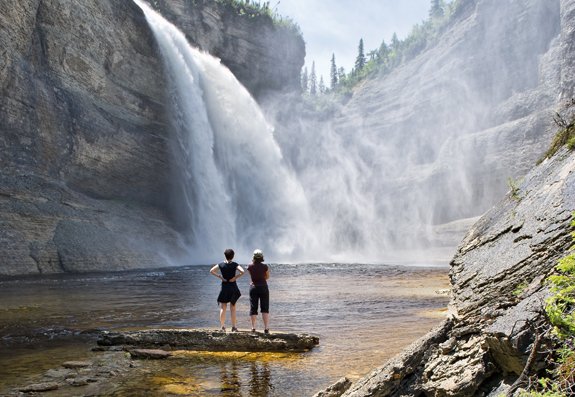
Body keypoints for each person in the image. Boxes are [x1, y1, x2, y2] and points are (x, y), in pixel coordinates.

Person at [210, 248, 245, 332]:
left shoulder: (221, 264)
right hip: (233, 287)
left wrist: (220, 277)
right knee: (233, 308)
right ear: (233, 256)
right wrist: (235, 277)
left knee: (223, 308)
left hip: (224, 287)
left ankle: (222, 327)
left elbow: (211, 271)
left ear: (225, 255)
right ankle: (233, 327)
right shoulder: (235, 264)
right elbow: (242, 271)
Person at [247, 249, 270, 333]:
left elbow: (252, 277)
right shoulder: (265, 266)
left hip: (253, 288)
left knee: (253, 308)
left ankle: (253, 327)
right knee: (265, 308)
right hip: (263, 287)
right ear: (262, 257)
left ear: (253, 257)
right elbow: (267, 277)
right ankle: (266, 328)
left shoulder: (249, 267)